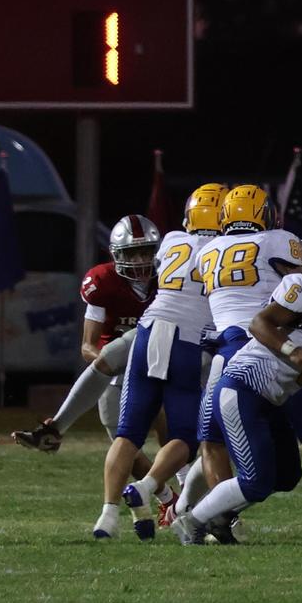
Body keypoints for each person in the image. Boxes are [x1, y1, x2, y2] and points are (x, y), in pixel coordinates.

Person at [171, 232, 302, 544]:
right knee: (255, 480)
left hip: (273, 398)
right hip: (243, 386)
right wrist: (292, 351)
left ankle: (216, 517)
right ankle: (192, 522)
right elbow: (259, 324)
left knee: (286, 475)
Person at [94, 186, 220, 540]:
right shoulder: (224, 249)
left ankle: (107, 516)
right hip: (186, 341)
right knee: (184, 436)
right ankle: (148, 487)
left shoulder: (172, 241)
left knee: (127, 433)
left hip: (149, 331)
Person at [188, 185, 302, 522]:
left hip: (227, 352)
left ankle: (215, 515)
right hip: (269, 350)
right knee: (284, 463)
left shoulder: (207, 250)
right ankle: (217, 519)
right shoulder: (277, 240)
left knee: (211, 440)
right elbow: (300, 288)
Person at [11, 216, 159, 461]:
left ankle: (54, 429)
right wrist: (114, 364)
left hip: (161, 357)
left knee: (170, 423)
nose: (140, 261)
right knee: (122, 444)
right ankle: (167, 496)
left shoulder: (168, 278)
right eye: (132, 254)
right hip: (117, 369)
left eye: (145, 253)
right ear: (117, 255)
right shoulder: (102, 281)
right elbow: (88, 346)